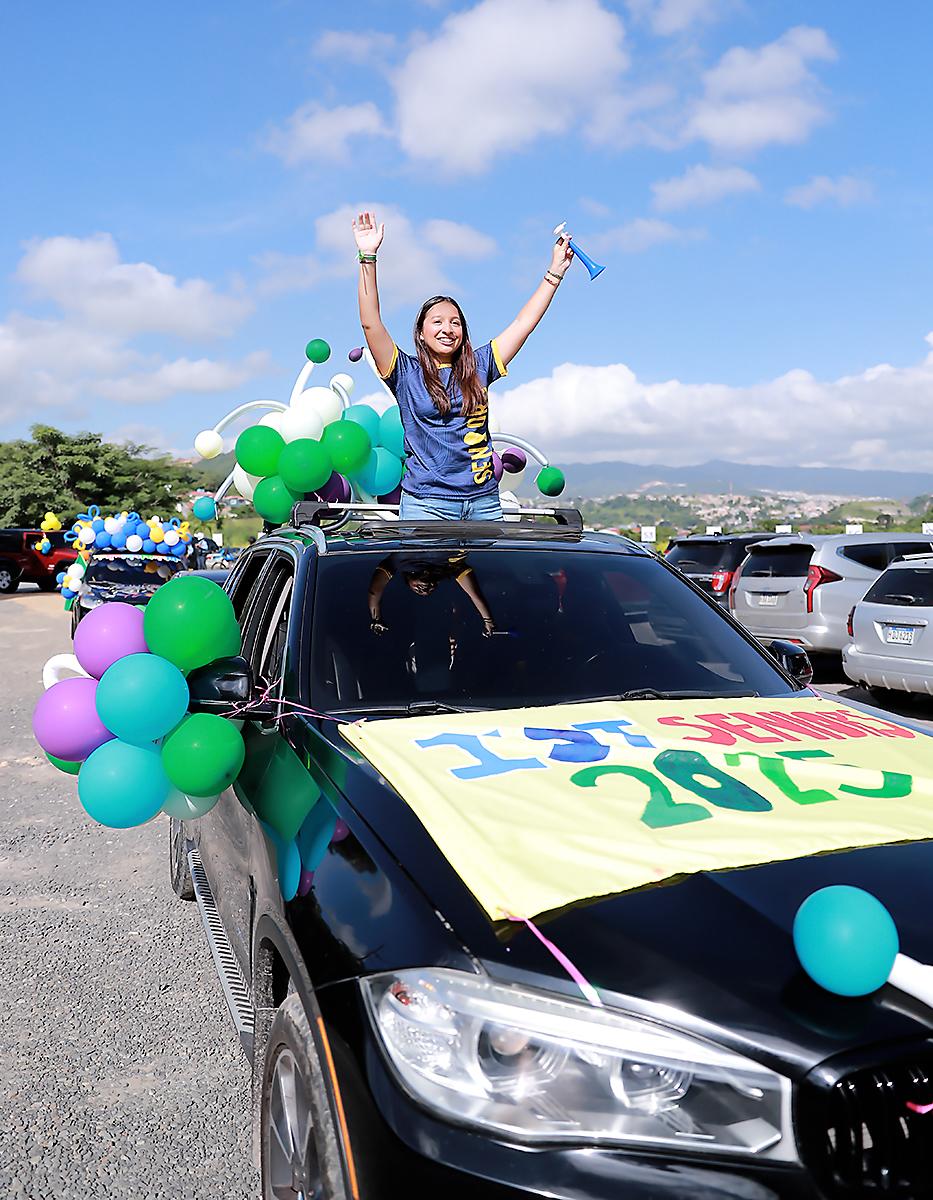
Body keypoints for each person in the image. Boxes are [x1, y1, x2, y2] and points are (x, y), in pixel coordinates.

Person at [352, 211, 573, 520]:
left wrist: (554, 273)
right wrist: (368, 256)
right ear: (421, 332)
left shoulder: (481, 365)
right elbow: (371, 323)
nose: (447, 329)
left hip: (484, 504)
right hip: (427, 505)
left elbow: (524, 323)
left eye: (455, 322)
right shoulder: (404, 372)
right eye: (437, 322)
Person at [367, 552, 496, 636]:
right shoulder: (452, 567)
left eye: (417, 590)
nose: (424, 590)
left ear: (408, 581)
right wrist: (488, 621)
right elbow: (475, 595)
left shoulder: (398, 562)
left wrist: (376, 618)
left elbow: (374, 591)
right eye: (430, 590)